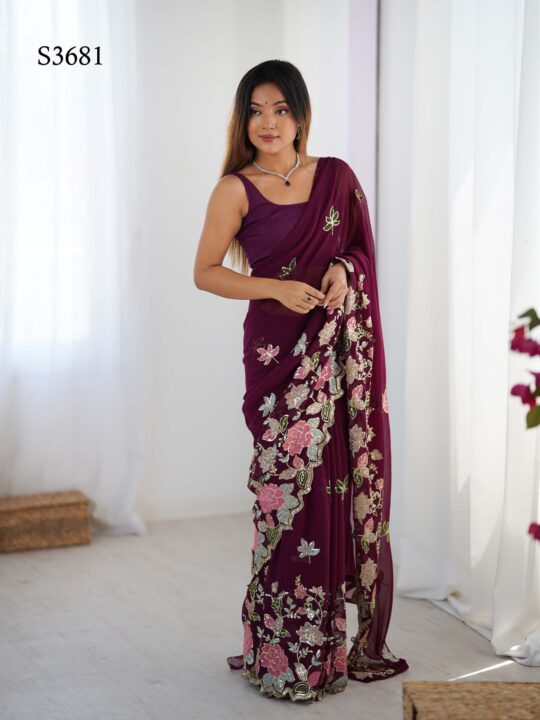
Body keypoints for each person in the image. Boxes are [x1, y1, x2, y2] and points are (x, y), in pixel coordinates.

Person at [193, 59, 409, 702]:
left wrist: (344, 269)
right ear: (243, 120)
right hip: (276, 358)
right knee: (284, 498)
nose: (268, 122)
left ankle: (327, 651)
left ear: (301, 115)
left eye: (280, 109)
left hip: (335, 361)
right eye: (255, 111)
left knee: (331, 492)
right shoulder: (235, 189)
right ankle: (282, 655)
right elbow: (206, 271)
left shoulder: (336, 177)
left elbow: (362, 250)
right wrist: (275, 289)